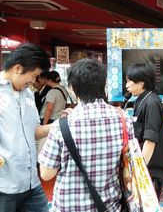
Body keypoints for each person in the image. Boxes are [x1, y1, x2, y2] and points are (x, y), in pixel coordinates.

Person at [39, 58, 135, 211]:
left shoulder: (62, 126)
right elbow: (129, 162)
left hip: (70, 207)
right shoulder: (124, 119)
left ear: (73, 88)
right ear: (103, 85)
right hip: (109, 206)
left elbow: (46, 173)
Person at [0, 43, 51, 212]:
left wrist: (62, 124)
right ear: (18, 68)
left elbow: (34, 131)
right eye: (34, 75)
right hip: (1, 188)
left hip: (30, 183)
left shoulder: (26, 94)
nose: (34, 82)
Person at [125, 63, 163, 198]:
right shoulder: (141, 100)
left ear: (141, 82)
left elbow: (150, 141)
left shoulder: (151, 103)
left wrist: (139, 171)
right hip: (144, 168)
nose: (127, 85)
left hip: (150, 171)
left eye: (129, 81)